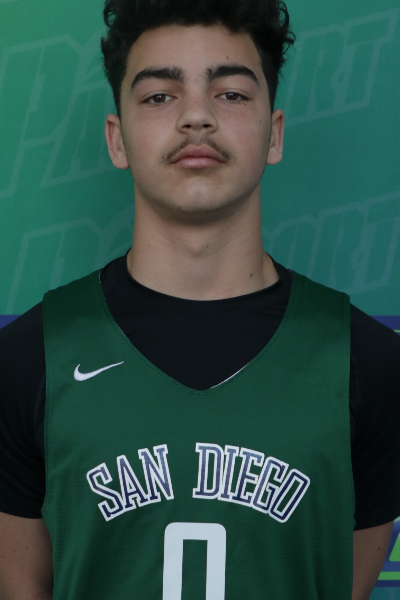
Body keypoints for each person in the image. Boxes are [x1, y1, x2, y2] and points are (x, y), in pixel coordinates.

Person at [0, 0, 399, 598]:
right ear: (117, 138)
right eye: (160, 95)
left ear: (274, 133)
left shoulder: (368, 363)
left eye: (231, 94)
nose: (196, 117)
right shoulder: (28, 360)